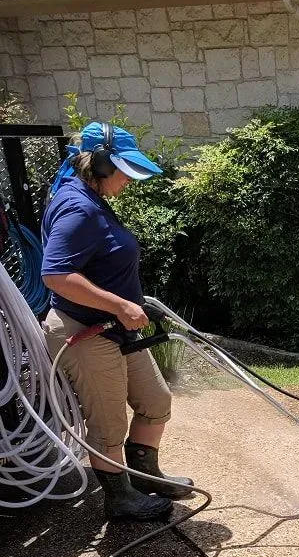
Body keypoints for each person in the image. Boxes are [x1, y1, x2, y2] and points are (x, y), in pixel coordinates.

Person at [41, 122, 193, 520]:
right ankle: (120, 499)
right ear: (102, 163)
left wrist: (129, 305)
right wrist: (120, 305)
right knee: (109, 423)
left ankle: (145, 478)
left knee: (156, 400)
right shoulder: (78, 207)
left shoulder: (89, 198)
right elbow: (56, 275)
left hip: (115, 328)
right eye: (124, 170)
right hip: (85, 332)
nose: (129, 179)